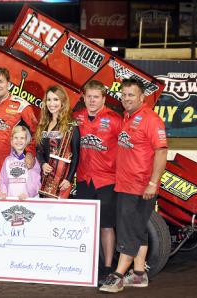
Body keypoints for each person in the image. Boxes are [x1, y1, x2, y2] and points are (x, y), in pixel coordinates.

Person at [99, 79, 168, 293]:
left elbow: (162, 151)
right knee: (138, 229)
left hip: (139, 187)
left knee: (128, 231)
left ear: (142, 97)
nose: (126, 98)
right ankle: (138, 275)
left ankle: (118, 276)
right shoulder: (128, 118)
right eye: (124, 94)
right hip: (125, 184)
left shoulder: (151, 119)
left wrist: (153, 183)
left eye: (131, 95)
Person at [73, 80, 122, 284]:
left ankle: (108, 267)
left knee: (107, 225)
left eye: (96, 97)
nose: (92, 100)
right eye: (89, 97)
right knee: (85, 225)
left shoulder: (115, 119)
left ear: (103, 98)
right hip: (84, 178)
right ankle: (85, 264)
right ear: (83, 97)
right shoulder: (77, 118)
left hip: (107, 180)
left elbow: (128, 149)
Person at [0, 67, 38, 194]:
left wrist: (30, 153)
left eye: (1, 81)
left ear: (8, 84)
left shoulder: (21, 106)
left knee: (10, 203)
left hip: (12, 163)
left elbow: (35, 131)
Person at [35, 85, 80, 199]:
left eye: (56, 99)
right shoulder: (43, 124)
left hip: (62, 180)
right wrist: (43, 163)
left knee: (58, 215)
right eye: (49, 99)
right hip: (44, 178)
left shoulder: (71, 125)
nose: (51, 103)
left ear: (63, 102)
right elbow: (39, 150)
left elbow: (75, 155)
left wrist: (69, 179)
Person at [0, 126, 41, 199]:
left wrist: (28, 194)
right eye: (16, 138)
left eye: (22, 138)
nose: (19, 141)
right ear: (12, 140)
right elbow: (3, 180)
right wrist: (3, 192)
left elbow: (36, 182)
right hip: (11, 199)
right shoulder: (7, 160)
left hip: (28, 200)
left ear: (27, 140)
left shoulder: (32, 160)